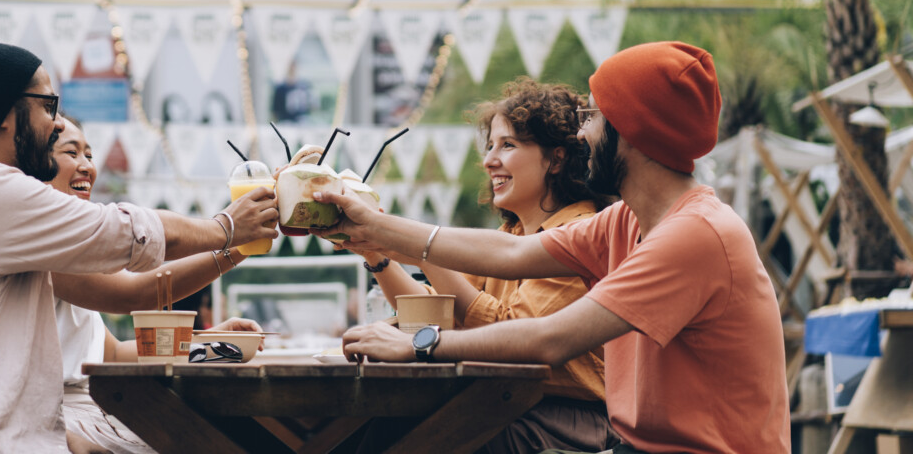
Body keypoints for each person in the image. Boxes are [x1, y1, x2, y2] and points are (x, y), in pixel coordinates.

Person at [317, 42, 790, 454]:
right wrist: (374, 227)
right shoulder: (626, 220)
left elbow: (549, 339)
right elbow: (510, 256)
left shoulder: (695, 234)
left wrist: (420, 345)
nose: (581, 134)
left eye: (594, 117)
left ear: (633, 130)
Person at [0, 39, 278, 453]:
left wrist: (210, 346)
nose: (57, 123)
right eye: (48, 106)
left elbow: (111, 352)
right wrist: (228, 228)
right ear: (5, 114)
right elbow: (131, 258)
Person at [350, 79, 616, 453]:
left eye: (508, 145)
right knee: (381, 428)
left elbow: (514, 334)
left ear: (556, 158)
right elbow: (434, 314)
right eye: (489, 146)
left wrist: (428, 252)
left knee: (399, 436)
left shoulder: (580, 231)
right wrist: (376, 256)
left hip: (563, 416)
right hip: (503, 401)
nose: (489, 160)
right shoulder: (511, 233)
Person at [47, 116, 262, 454]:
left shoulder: (73, 244)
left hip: (102, 413)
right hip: (65, 423)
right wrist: (233, 244)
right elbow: (136, 292)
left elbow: (115, 355)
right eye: (71, 153)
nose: (86, 165)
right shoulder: (44, 240)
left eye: (89, 155)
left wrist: (209, 345)